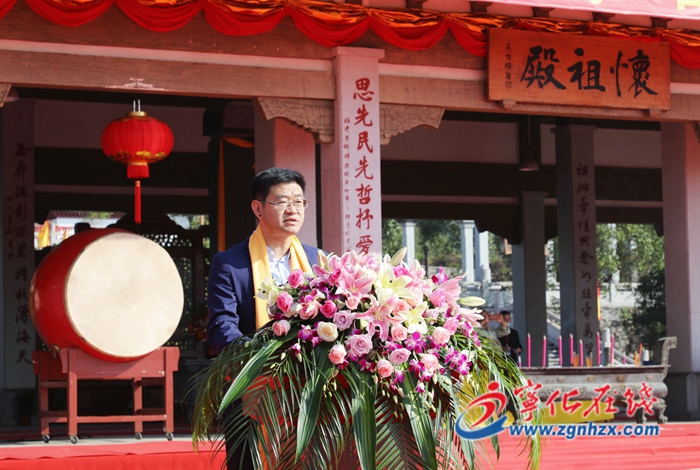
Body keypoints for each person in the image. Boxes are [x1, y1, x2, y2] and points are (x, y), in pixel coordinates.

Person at [206, 167, 321, 469]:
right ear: (258, 208)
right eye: (282, 202)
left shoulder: (318, 261)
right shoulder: (230, 264)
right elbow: (221, 326)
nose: (293, 209)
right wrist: (259, 357)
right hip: (251, 388)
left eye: (299, 201)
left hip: (309, 388)